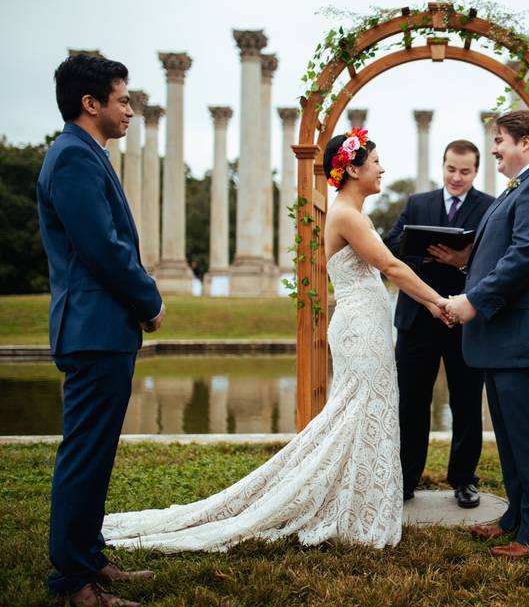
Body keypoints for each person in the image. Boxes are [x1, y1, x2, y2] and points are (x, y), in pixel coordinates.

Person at [102, 129, 455, 555]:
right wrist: (438, 303)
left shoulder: (351, 213)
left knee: (366, 412)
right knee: (361, 411)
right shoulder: (346, 214)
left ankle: (359, 502)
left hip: (367, 325)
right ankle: (346, 504)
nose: (382, 169)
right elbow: (391, 266)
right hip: (360, 330)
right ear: (354, 168)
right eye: (376, 161)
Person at [38, 53, 165, 607]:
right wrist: (149, 299)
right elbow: (102, 250)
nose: (130, 110)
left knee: (96, 452)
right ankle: (73, 581)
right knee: (85, 454)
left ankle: (90, 557)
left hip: (102, 329)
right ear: (90, 104)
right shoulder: (72, 158)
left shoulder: (87, 154)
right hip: (93, 329)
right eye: (122, 100)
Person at [444, 110, 529, 559]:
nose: (495, 149)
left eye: (499, 140)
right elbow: (503, 251)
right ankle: (517, 518)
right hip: (506, 340)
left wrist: (474, 300)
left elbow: (526, 256)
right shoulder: (518, 189)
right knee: (513, 437)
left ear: (524, 142)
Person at [385, 139, 495, 507]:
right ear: (442, 165)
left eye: (465, 171)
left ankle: (464, 480)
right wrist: (429, 254)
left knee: (466, 403)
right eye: (451, 169)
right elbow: (390, 245)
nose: (456, 177)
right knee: (412, 402)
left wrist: (461, 261)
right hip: (417, 318)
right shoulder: (418, 203)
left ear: (476, 171)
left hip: (466, 320)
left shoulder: (490, 208)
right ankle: (405, 477)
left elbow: (495, 264)